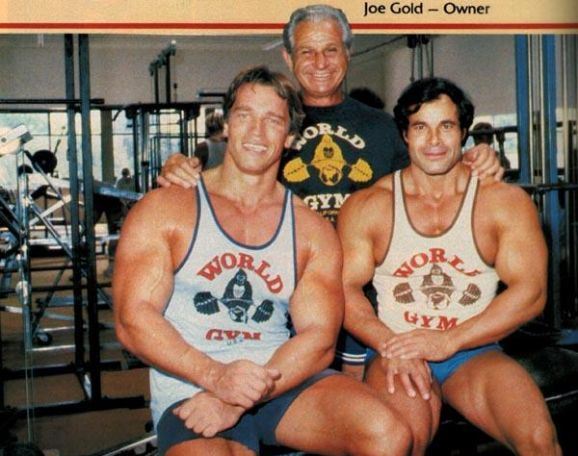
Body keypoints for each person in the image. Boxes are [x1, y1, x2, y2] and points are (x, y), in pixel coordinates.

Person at [157, 4, 504, 380]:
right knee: (282, 402)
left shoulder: (383, 128)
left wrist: (474, 158)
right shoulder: (272, 121)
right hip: (286, 299)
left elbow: (432, 172)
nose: (319, 62)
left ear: (347, 53)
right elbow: (232, 178)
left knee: (363, 414)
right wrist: (183, 168)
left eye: (331, 50)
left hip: (365, 301)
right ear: (288, 56)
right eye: (307, 51)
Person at [113, 66, 413, 456]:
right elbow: (132, 319)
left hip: (278, 379)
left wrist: (238, 398)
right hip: (192, 385)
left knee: (388, 434)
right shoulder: (167, 209)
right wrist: (216, 379)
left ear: (290, 137)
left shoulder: (311, 230)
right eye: (245, 116)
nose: (257, 133)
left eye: (272, 120)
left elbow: (319, 341)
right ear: (226, 125)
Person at [337, 77, 561, 455]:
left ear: (464, 132)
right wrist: (388, 345)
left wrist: (448, 341)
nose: (435, 141)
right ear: (405, 135)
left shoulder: (503, 202)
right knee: (396, 445)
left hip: (473, 350)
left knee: (539, 442)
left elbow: (531, 292)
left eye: (446, 126)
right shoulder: (369, 205)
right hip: (399, 349)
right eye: (421, 127)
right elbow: (343, 289)